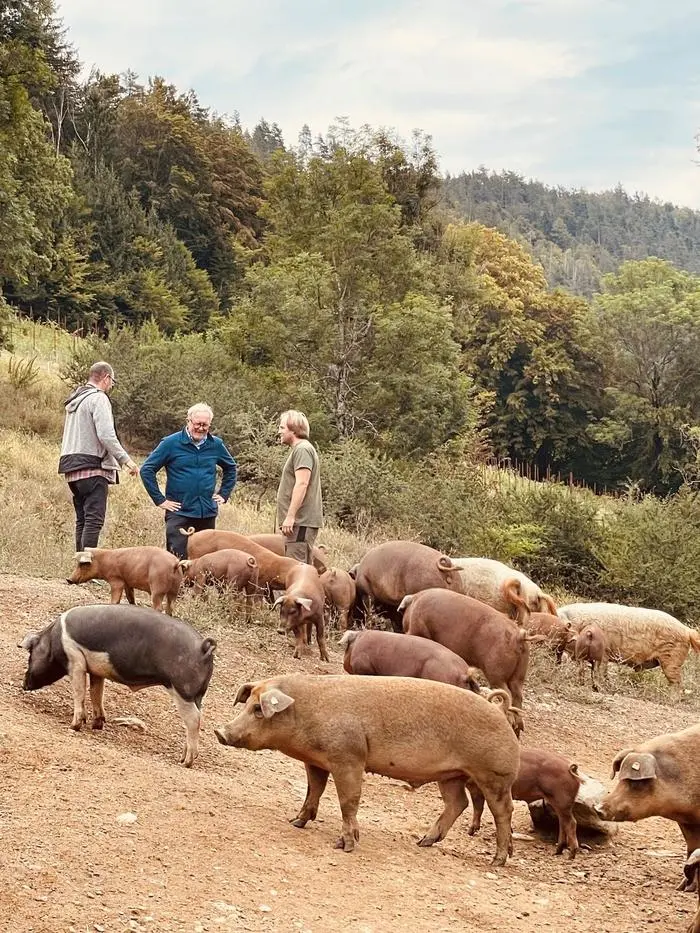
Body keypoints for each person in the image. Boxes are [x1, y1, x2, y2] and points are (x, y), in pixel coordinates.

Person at [58, 361, 139, 552]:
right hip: (93, 466)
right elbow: (106, 435)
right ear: (106, 378)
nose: (111, 386)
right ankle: (87, 567)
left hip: (71, 467)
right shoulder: (99, 398)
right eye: (112, 382)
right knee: (94, 519)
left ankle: (80, 565)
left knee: (82, 519)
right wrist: (126, 461)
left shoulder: (75, 399)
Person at [140, 403, 237, 560]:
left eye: (205, 425)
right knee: (176, 559)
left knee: (205, 562)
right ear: (188, 421)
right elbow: (147, 469)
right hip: (180, 511)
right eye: (197, 423)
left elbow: (231, 468)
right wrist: (160, 500)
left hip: (206, 512)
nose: (200, 428)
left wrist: (224, 494)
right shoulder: (170, 443)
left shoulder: (216, 444)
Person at [276, 409, 323, 563]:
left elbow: (302, 483)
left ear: (294, 430)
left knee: (297, 569)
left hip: (300, 522)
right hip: (298, 523)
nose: (279, 431)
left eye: (282, 428)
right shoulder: (300, 449)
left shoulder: (303, 450)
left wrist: (290, 517)